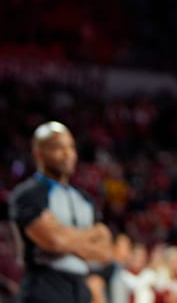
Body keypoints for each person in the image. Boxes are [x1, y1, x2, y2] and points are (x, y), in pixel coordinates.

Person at [8, 120, 114, 303]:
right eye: (58, 147)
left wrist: (63, 234)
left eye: (71, 147)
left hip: (80, 288)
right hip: (44, 287)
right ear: (38, 153)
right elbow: (54, 241)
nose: (68, 154)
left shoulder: (84, 198)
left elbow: (105, 252)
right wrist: (90, 236)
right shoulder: (27, 194)